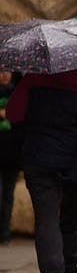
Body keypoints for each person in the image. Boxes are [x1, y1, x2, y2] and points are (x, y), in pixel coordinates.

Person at [5, 68, 77, 273]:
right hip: (76, 162)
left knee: (46, 219)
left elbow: (13, 113)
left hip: (39, 160)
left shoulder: (31, 82)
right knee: (72, 221)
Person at [0, 69, 22, 244]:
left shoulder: (18, 92)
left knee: (8, 194)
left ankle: (4, 232)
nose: (4, 75)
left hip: (12, 152)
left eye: (7, 71)